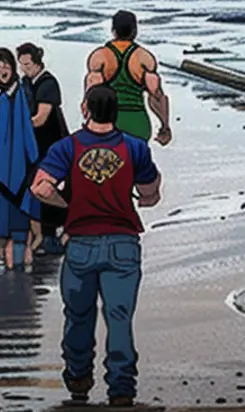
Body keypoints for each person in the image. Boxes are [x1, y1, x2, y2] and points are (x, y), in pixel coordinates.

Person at [31, 85, 161, 408]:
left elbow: (40, 187)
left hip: (81, 244)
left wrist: (68, 203)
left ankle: (78, 378)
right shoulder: (134, 148)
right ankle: (121, 388)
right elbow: (151, 190)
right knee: (119, 318)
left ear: (85, 109)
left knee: (78, 316)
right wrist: (143, 199)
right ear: (115, 112)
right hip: (123, 244)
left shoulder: (67, 147)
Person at [83, 11, 171, 145]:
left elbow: (91, 95)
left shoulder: (100, 56)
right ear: (135, 31)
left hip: (108, 123)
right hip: (138, 123)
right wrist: (165, 126)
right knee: (137, 162)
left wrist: (89, 124)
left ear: (113, 31)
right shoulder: (144, 57)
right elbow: (157, 96)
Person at [17, 42, 69, 255]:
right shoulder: (25, 82)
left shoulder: (48, 83)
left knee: (43, 185)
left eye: (28, 64)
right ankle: (40, 232)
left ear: (37, 62)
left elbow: (40, 118)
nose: (25, 69)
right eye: (22, 65)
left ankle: (52, 232)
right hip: (32, 144)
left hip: (51, 142)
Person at [0, 47, 39, 270]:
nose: (3, 68)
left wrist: (34, 163)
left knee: (17, 225)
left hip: (17, 170)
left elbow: (26, 130)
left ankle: (17, 277)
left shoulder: (18, 93)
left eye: (6, 64)